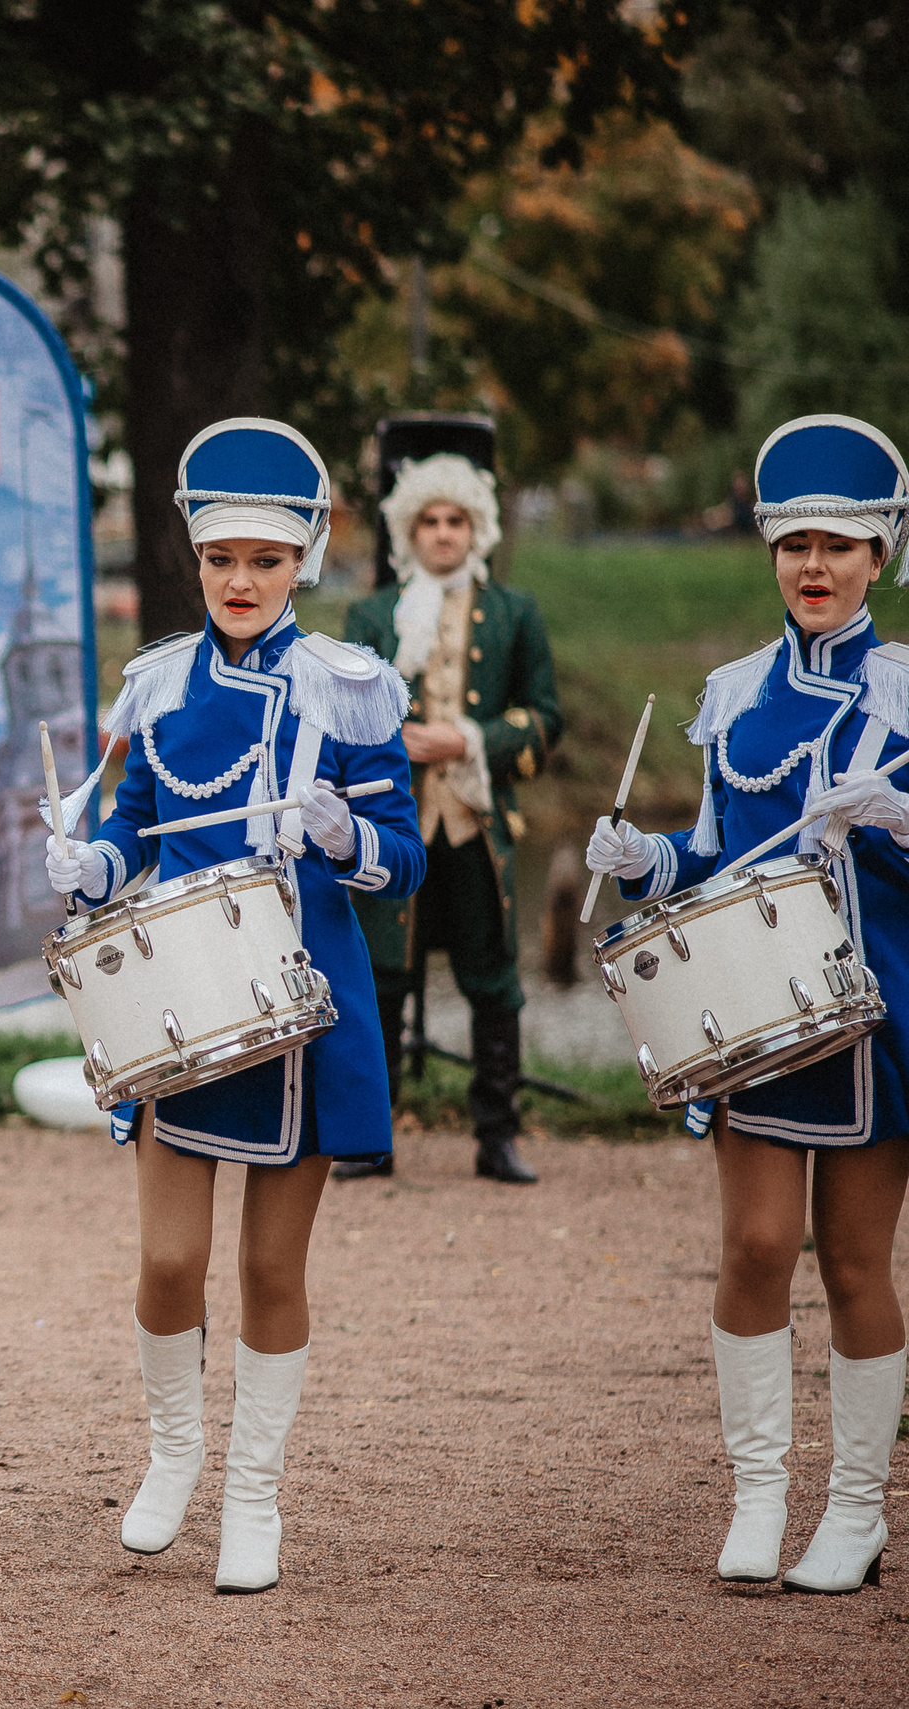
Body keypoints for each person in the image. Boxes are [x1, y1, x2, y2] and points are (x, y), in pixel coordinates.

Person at [44, 418, 422, 1593]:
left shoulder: (351, 690)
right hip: (179, 1008)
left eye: (264, 559)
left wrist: (348, 836)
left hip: (306, 1011)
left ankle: (254, 1495)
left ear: (303, 558)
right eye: (220, 560)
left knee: (269, 1269)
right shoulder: (158, 684)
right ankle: (174, 1451)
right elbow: (133, 826)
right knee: (167, 1262)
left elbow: (404, 860)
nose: (240, 580)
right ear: (195, 559)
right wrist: (91, 868)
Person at [583, 414, 909, 1594]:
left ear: (878, 556)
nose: (813, 566)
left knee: (856, 1262)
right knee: (756, 1245)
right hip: (753, 1014)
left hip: (874, 1016)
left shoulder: (905, 693)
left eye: (838, 546)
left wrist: (897, 817)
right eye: (794, 545)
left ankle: (856, 1510)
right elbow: (715, 855)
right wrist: (645, 859)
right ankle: (759, 1492)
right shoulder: (732, 695)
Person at [340, 452, 561, 1183]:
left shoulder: (516, 613)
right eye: (429, 520)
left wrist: (469, 741)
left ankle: (497, 1137)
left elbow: (545, 719)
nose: (442, 533)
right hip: (394, 828)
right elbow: (341, 719)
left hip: (476, 825)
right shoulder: (371, 615)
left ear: (477, 528)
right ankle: (371, 1138)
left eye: (455, 520)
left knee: (493, 983)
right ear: (409, 531)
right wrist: (390, 741)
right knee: (382, 982)